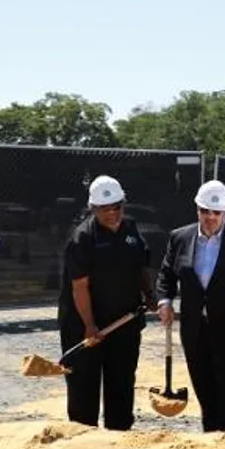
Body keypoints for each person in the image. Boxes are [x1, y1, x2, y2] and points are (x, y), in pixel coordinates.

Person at [155, 180, 225, 432]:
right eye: (205, 211)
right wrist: (164, 301)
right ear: (197, 210)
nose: (210, 217)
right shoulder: (180, 238)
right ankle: (211, 439)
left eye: (217, 212)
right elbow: (166, 274)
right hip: (195, 330)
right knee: (205, 388)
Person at [57, 175, 156, 430]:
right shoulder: (82, 238)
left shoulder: (131, 228)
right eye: (106, 209)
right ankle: (82, 434)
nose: (113, 213)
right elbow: (79, 287)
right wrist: (89, 325)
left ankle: (120, 432)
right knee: (84, 384)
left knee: (121, 380)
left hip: (125, 320)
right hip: (85, 325)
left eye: (117, 207)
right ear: (93, 209)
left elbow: (141, 266)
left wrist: (149, 293)